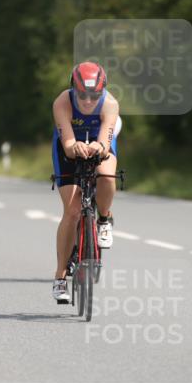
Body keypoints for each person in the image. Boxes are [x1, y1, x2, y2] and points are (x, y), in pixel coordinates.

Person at [50, 61, 120, 304]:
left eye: (94, 95)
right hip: (67, 147)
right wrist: (75, 146)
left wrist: (97, 147)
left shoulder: (110, 103)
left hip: (97, 144)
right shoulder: (62, 102)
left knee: (107, 176)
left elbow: (105, 139)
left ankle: (104, 218)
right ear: (74, 89)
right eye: (83, 94)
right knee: (72, 211)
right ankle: (60, 277)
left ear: (102, 92)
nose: (89, 101)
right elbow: (68, 145)